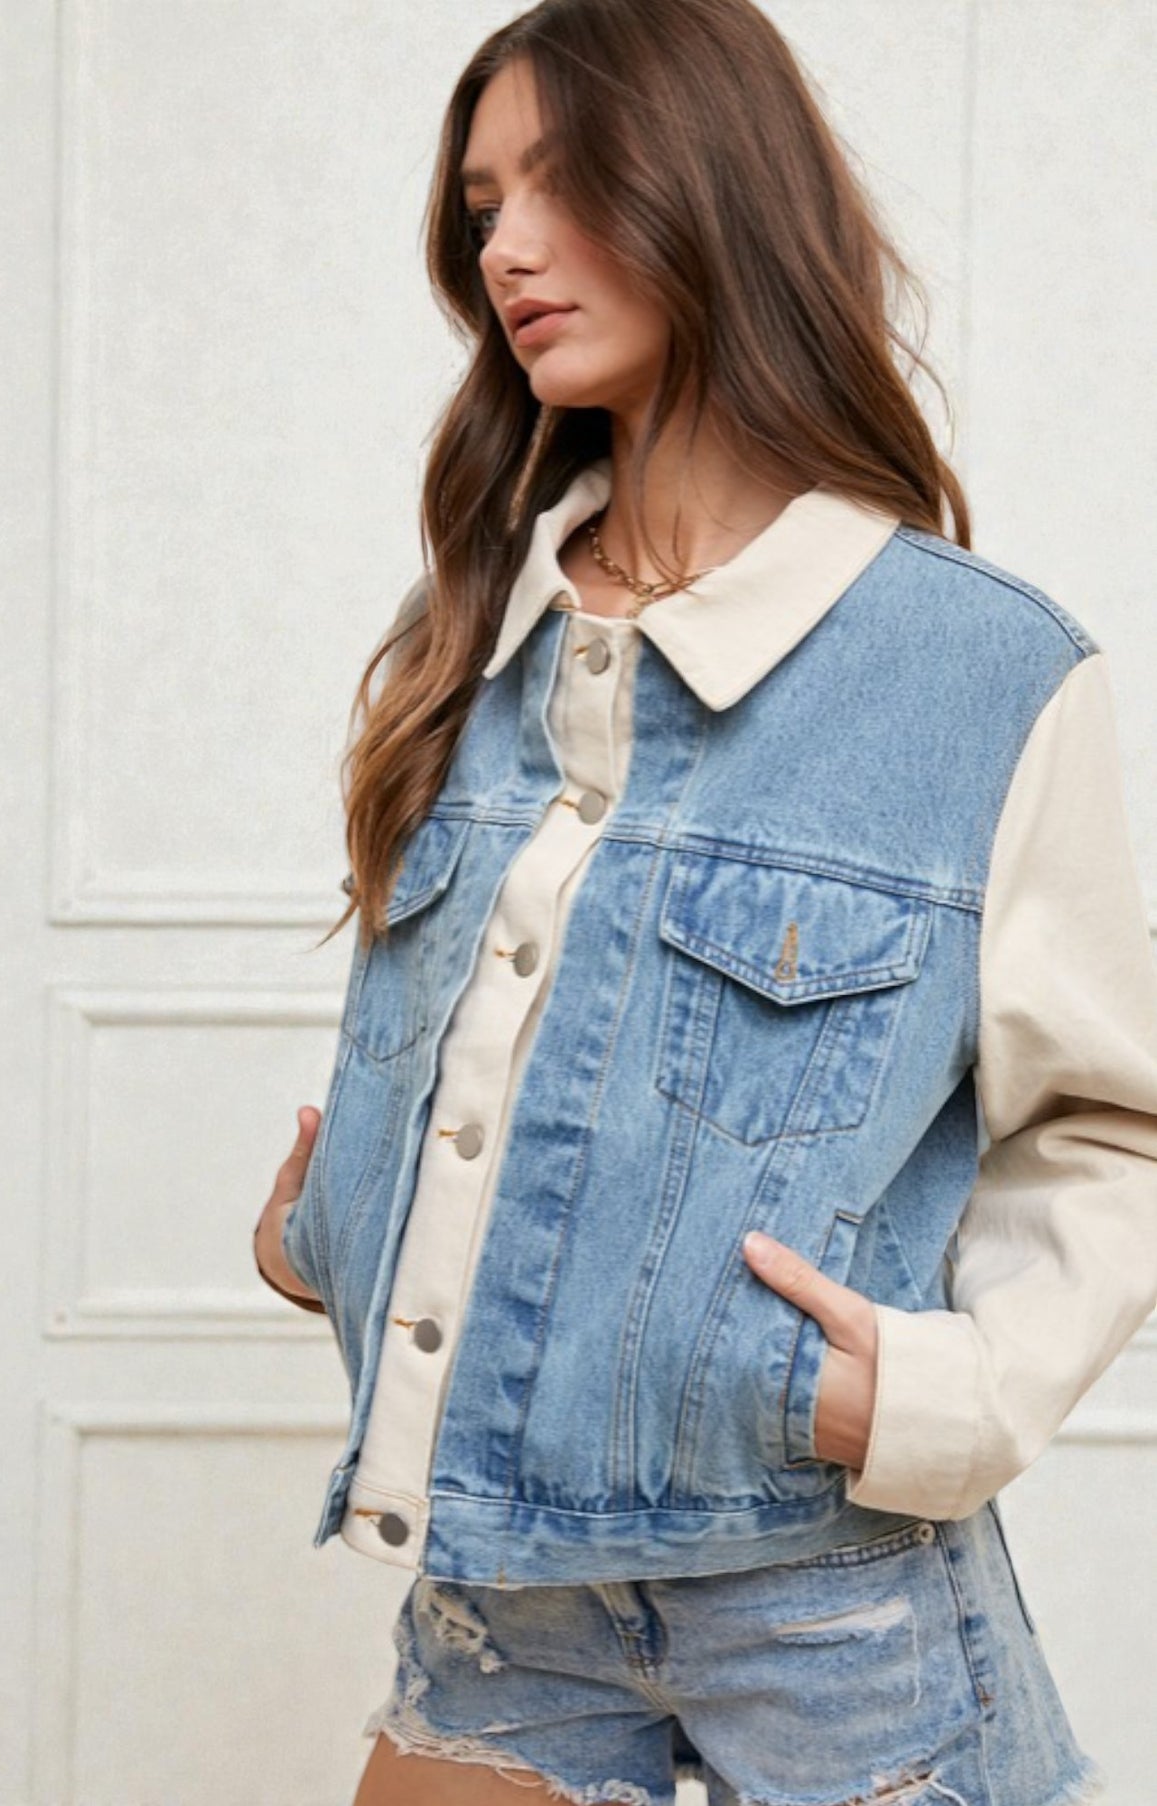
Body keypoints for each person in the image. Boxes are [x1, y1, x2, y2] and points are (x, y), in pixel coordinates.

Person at [251, 2, 1157, 1801]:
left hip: (829, 1605)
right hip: (502, 1576)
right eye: (480, 207)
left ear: (711, 186)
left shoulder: (978, 673)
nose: (504, 250)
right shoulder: (467, 637)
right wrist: (339, 1227)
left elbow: (1113, 1125)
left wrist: (943, 1396)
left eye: (559, 184)